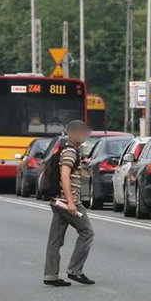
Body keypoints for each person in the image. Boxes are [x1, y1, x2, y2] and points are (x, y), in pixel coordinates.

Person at [43, 120, 95, 287]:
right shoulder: (70, 152)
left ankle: (51, 275)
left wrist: (83, 168)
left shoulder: (71, 152)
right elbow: (64, 175)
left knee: (55, 241)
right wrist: (71, 202)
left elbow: (72, 173)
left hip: (58, 201)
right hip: (67, 201)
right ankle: (75, 270)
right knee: (87, 232)